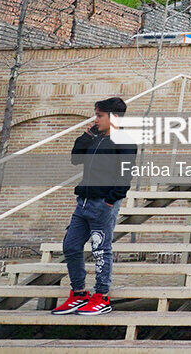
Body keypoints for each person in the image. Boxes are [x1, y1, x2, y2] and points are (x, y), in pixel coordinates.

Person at [51, 96, 136, 317]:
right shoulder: (95, 138)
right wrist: (87, 135)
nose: (95, 119)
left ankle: (102, 296)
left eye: (99, 116)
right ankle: (79, 294)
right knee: (71, 246)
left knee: (100, 250)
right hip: (83, 202)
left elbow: (125, 176)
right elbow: (75, 158)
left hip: (103, 203)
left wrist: (110, 201)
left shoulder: (125, 141)